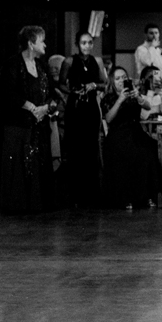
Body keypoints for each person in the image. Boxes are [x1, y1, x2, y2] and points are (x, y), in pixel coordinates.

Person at [0, 26, 56, 214]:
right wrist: (31, 107)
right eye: (42, 40)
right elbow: (8, 94)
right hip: (17, 125)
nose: (45, 44)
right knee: (18, 165)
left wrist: (45, 108)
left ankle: (36, 204)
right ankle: (17, 205)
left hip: (38, 124)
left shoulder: (41, 66)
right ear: (31, 43)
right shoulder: (12, 65)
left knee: (37, 163)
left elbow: (51, 93)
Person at [100, 67, 162, 209]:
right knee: (129, 153)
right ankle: (126, 197)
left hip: (135, 131)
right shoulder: (108, 98)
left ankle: (147, 195)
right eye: (117, 79)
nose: (121, 81)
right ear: (112, 82)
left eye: (123, 77)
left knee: (149, 150)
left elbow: (147, 107)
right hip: (118, 134)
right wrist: (120, 100)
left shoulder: (134, 95)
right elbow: (109, 119)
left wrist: (139, 97)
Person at [59, 31, 108, 206]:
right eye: (83, 43)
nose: (87, 46)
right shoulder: (69, 61)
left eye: (89, 43)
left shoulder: (98, 61)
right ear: (77, 44)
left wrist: (94, 85)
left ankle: (91, 194)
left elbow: (105, 84)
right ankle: (75, 195)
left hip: (91, 108)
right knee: (75, 149)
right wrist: (72, 92)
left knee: (90, 148)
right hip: (76, 107)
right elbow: (61, 83)